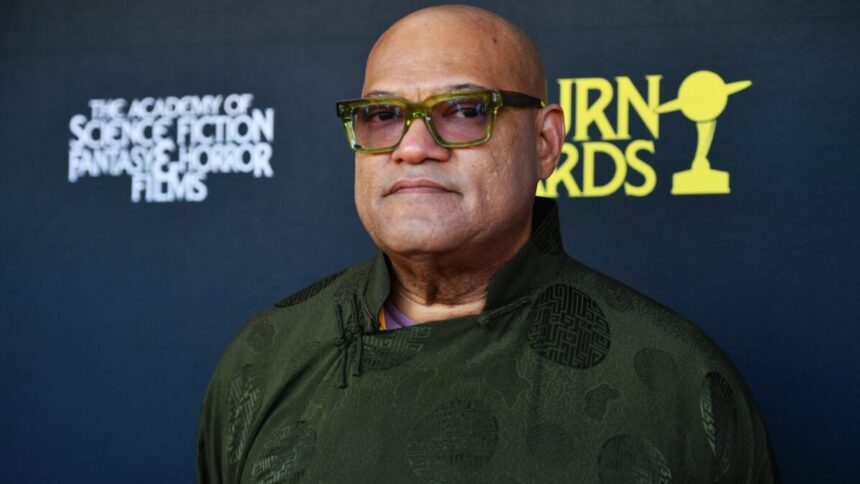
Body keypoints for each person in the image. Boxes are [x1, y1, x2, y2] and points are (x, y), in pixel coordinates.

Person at [197, 5, 779, 483]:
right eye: (382, 115)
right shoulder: (264, 358)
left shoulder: (674, 381)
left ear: (546, 142)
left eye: (463, 111)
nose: (413, 147)